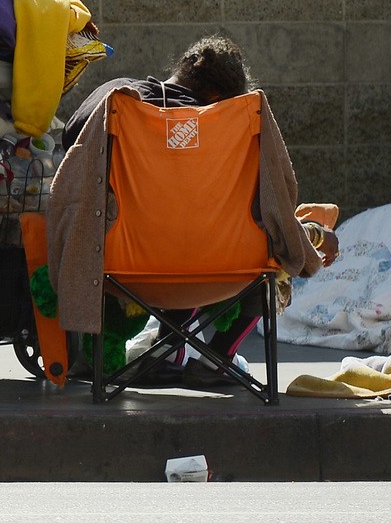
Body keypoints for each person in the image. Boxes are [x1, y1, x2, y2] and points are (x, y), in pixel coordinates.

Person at [58, 34, 339, 388]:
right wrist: (315, 233)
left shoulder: (117, 97)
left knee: (170, 230)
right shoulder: (231, 128)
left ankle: (164, 352)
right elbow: (273, 211)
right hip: (219, 269)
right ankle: (217, 359)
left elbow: (71, 139)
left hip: (123, 265)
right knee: (256, 248)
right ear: (220, 98)